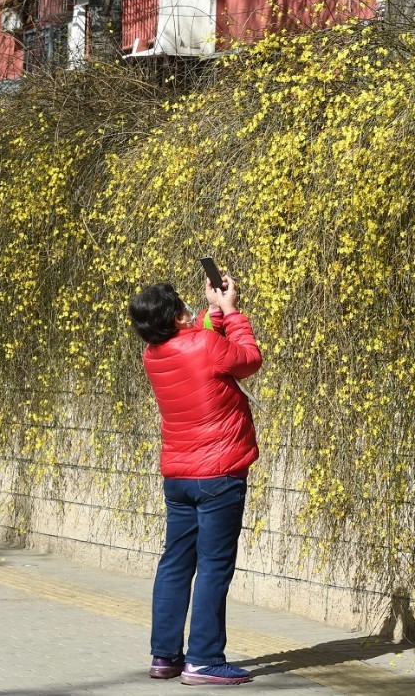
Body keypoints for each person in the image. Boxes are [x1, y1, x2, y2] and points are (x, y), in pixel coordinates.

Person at [128, 272, 263, 686]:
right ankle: (204, 659)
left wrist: (212, 310)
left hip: (179, 477)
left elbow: (202, 342)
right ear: (175, 318)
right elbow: (247, 358)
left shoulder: (154, 354)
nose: (190, 309)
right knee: (213, 567)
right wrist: (232, 311)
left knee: (175, 563)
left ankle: (165, 656)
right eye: (183, 306)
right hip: (219, 473)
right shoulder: (203, 344)